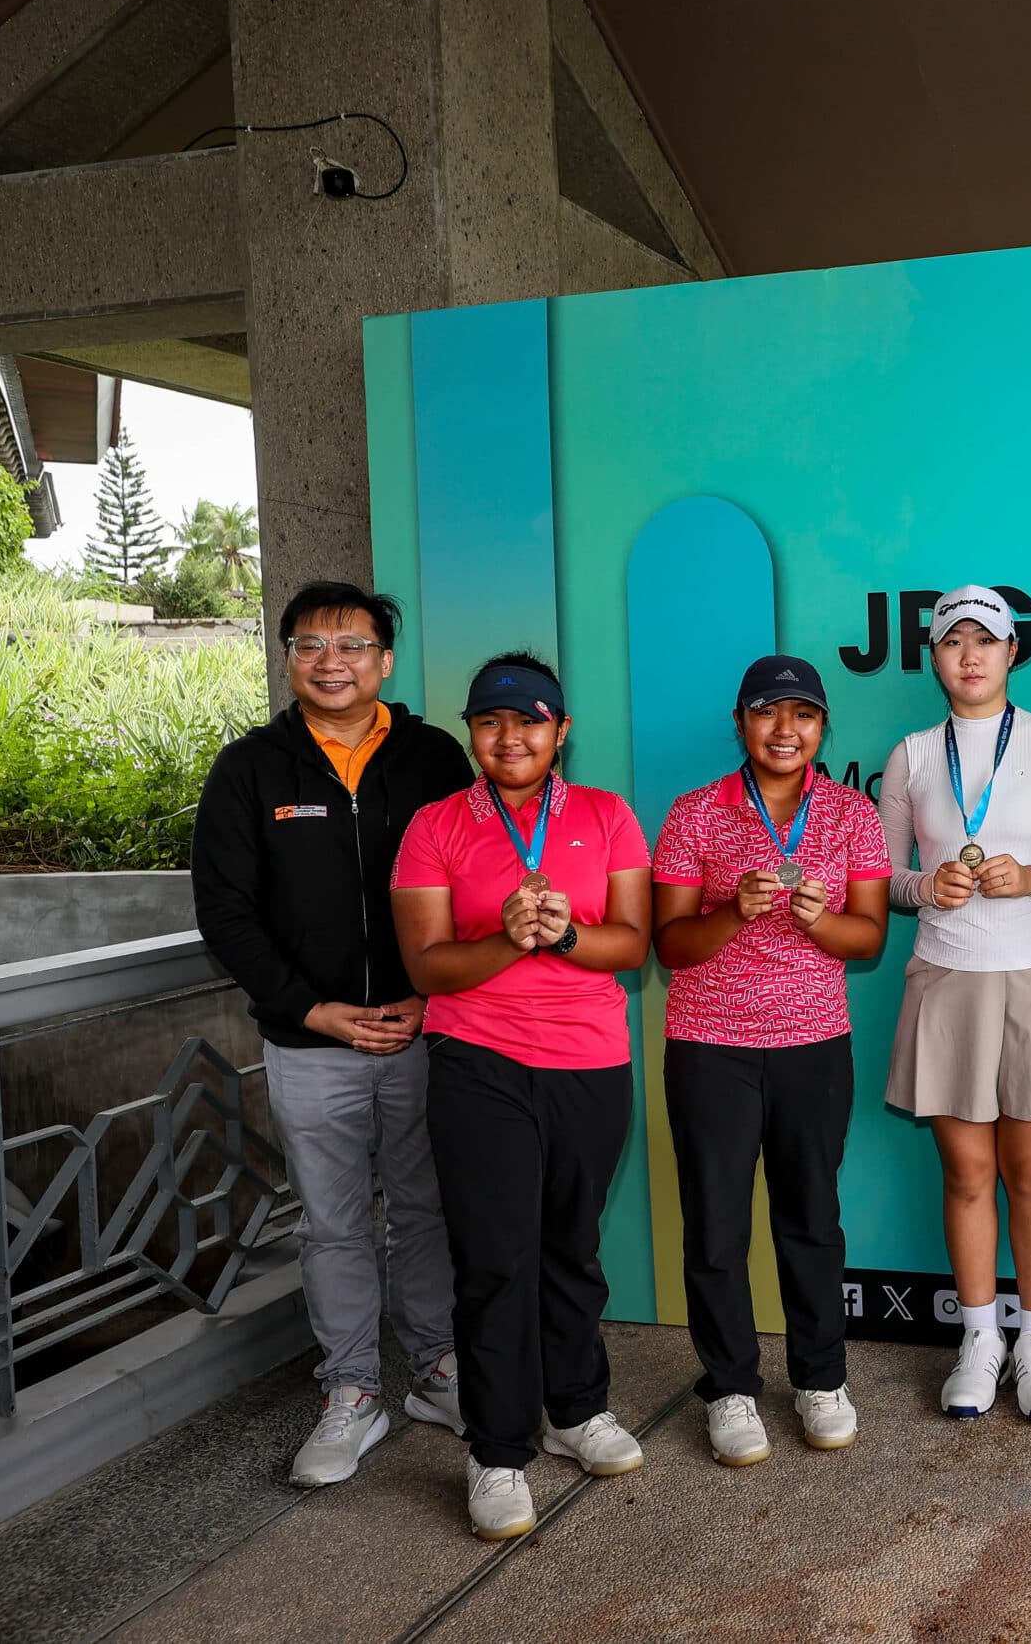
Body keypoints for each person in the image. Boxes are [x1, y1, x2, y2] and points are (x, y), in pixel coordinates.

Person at [192, 581, 473, 1490]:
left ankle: (436, 1369)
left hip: (423, 1029)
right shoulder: (249, 769)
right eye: (310, 644)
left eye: (351, 644)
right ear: (288, 659)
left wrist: (433, 997)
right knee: (336, 1222)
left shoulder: (434, 757)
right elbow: (225, 910)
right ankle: (353, 1390)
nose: (331, 661)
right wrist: (310, 1008)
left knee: (429, 1209)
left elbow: (476, 880)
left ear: (385, 660)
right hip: (311, 1043)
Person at [390, 652, 654, 1540]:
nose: (511, 738)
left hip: (589, 1061)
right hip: (479, 1062)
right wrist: (507, 941)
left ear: (560, 731)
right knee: (498, 1259)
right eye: (491, 722)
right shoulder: (435, 825)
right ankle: (498, 1451)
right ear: (472, 731)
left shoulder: (607, 815)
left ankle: (575, 1409)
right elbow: (427, 963)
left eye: (530, 722)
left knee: (571, 1247)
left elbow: (630, 946)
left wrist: (566, 931)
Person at [651, 654, 891, 1467]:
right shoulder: (695, 813)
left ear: (823, 727)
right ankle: (730, 1388)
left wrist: (817, 922)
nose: (785, 730)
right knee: (716, 1227)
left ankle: (821, 1378)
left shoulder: (852, 814)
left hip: (812, 1045)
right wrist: (731, 911)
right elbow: (671, 942)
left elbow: (870, 938)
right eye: (767, 713)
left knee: (811, 1221)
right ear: (741, 722)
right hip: (710, 1047)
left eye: (803, 715)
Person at [877, 586, 1031, 1420]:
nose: (970, 655)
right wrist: (930, 883)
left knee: (1030, 1171)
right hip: (946, 974)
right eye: (953, 641)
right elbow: (887, 880)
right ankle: (980, 1337)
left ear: (1011, 653)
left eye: (986, 641)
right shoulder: (911, 755)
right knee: (965, 1172)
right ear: (934, 657)